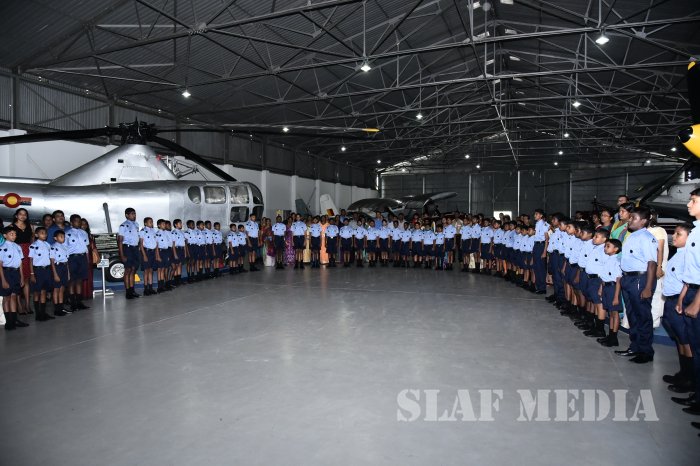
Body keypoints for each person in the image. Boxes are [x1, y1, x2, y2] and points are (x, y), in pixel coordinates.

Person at [615, 206, 658, 364]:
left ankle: (646, 352)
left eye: (634, 218)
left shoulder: (647, 238)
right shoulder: (632, 236)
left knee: (642, 316)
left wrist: (647, 287)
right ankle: (635, 346)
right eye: (630, 217)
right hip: (628, 279)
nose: (630, 220)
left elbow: (652, 264)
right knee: (632, 315)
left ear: (644, 221)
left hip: (640, 279)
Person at [673, 188, 700, 416]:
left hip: (698, 295)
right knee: (693, 344)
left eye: (693, 200)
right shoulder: (696, 232)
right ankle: (695, 391)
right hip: (690, 290)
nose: (689, 204)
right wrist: (684, 296)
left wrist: (696, 302)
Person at [660, 224, 693, 393]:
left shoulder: (689, 256)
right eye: (674, 233)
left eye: (679, 234)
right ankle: (683, 373)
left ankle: (690, 379)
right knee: (680, 339)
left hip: (679, 302)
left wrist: (680, 301)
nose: (674, 236)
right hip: (671, 300)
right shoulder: (678, 254)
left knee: (686, 341)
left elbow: (689, 282)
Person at [0, 226, 29, 330]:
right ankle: (8, 322)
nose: (14, 236)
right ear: (5, 235)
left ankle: (14, 319)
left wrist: (21, 277)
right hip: (6, 273)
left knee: (13, 296)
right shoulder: (2, 247)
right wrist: (3, 280)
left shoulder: (18, 247)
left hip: (16, 273)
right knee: (6, 298)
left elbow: (20, 263)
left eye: (15, 234)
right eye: (11, 234)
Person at [28, 226, 55, 322]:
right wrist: (32, 273)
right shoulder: (33, 245)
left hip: (46, 270)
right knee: (36, 292)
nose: (44, 235)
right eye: (42, 233)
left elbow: (51, 258)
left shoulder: (48, 245)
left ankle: (43, 313)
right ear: (36, 235)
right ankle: (38, 314)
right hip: (37, 270)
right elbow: (31, 261)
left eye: (45, 233)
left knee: (44, 291)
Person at [65, 214, 90, 311]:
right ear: (71, 222)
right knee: (72, 281)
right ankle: (73, 303)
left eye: (79, 221)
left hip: (82, 257)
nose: (78, 223)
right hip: (72, 258)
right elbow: (65, 248)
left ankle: (79, 302)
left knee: (80, 280)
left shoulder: (84, 233)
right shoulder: (67, 234)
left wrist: (87, 260)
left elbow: (87, 247)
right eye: (76, 221)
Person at [11, 208, 34, 315]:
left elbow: (32, 240)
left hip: (28, 252)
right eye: (20, 214)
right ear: (16, 215)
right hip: (17, 252)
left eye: (25, 214)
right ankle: (19, 306)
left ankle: (28, 305)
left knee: (27, 280)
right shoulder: (11, 227)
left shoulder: (30, 226)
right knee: (19, 280)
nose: (23, 216)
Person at [118, 208, 140, 299]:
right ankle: (128, 292)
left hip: (135, 249)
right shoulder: (123, 226)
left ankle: (132, 290)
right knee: (128, 270)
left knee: (133, 270)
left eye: (135, 213)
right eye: (132, 214)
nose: (134, 215)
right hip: (127, 248)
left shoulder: (136, 224)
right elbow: (120, 241)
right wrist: (122, 255)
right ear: (127, 215)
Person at [49, 230, 71, 316]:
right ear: (55, 238)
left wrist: (68, 273)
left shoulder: (65, 247)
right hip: (57, 267)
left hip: (64, 267)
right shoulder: (53, 247)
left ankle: (61, 307)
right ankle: (56, 309)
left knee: (62, 288)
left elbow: (67, 261)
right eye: (61, 236)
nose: (63, 238)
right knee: (56, 289)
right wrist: (55, 274)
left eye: (64, 237)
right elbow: (52, 261)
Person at [139, 217, 158, 295]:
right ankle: (145, 289)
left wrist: (156, 254)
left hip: (153, 252)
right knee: (146, 271)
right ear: (145, 223)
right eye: (150, 222)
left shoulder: (154, 231)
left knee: (151, 270)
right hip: (146, 252)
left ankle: (150, 288)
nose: (151, 223)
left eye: (152, 222)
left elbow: (156, 243)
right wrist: (144, 255)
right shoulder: (143, 231)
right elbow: (141, 244)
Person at [532, 209, 549, 294]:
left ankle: (542, 288)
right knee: (536, 267)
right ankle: (538, 286)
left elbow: (547, 239)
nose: (534, 215)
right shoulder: (537, 224)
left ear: (541, 215)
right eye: (535, 214)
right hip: (536, 245)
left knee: (540, 268)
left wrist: (544, 251)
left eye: (536, 214)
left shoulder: (544, 224)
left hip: (541, 246)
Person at [80, 218, 96, 299]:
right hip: (81, 256)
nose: (84, 226)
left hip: (89, 256)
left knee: (89, 275)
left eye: (85, 224)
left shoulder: (89, 235)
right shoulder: (78, 235)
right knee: (82, 276)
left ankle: (88, 293)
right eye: (82, 224)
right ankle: (81, 294)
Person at [171, 219, 186, 286]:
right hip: (176, 250)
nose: (181, 224)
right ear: (175, 225)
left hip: (181, 250)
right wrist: (175, 254)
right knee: (176, 265)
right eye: (180, 223)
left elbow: (184, 243)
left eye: (181, 223)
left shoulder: (182, 232)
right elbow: (173, 244)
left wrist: (185, 252)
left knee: (180, 265)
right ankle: (175, 281)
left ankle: (179, 281)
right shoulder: (173, 232)